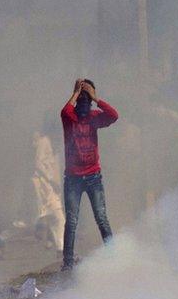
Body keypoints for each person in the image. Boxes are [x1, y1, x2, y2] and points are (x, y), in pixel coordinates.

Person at [60, 78, 118, 271]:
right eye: (81, 97)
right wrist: (76, 92)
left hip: (94, 176)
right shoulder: (70, 118)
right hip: (73, 178)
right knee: (72, 219)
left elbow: (113, 115)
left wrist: (96, 97)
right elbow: (64, 111)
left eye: (88, 98)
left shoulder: (94, 117)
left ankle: (113, 257)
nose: (84, 101)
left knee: (101, 217)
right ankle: (67, 263)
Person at [32, 126, 65, 253]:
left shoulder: (56, 143)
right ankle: (2, 237)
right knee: (34, 220)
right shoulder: (44, 142)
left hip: (52, 187)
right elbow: (38, 163)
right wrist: (51, 180)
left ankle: (60, 249)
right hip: (43, 185)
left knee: (57, 218)